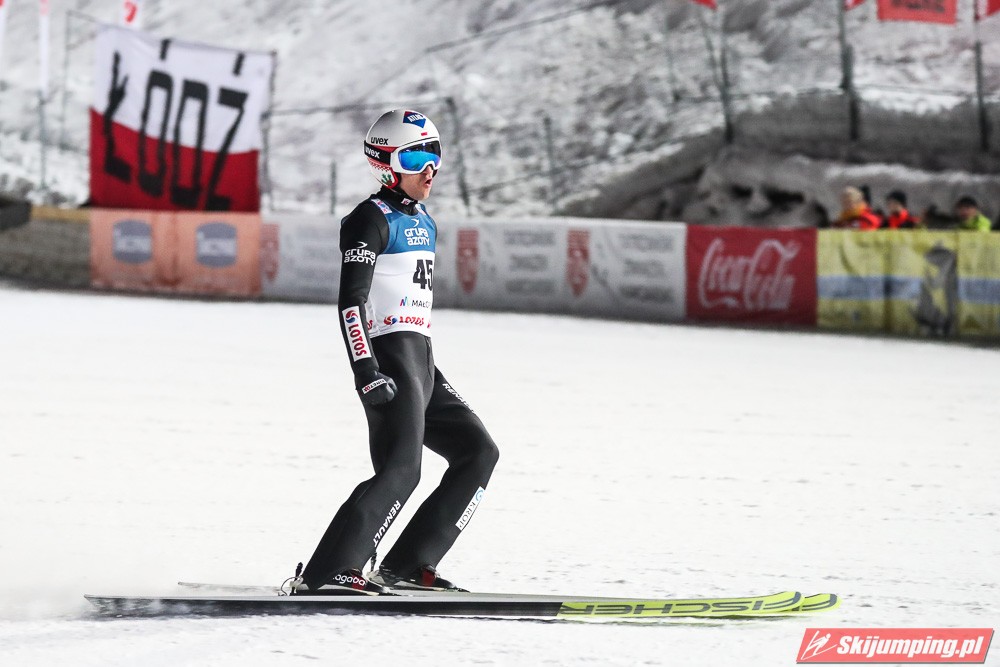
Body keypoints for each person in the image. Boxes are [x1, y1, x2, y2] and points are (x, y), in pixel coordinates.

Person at [295, 109, 500, 595]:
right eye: (414, 157)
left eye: (434, 155)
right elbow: (352, 302)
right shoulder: (369, 219)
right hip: (388, 357)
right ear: (386, 165)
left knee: (477, 452)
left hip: (423, 359)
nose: (429, 169)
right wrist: (365, 368)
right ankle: (330, 572)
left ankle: (408, 564)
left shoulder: (424, 219)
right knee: (401, 470)